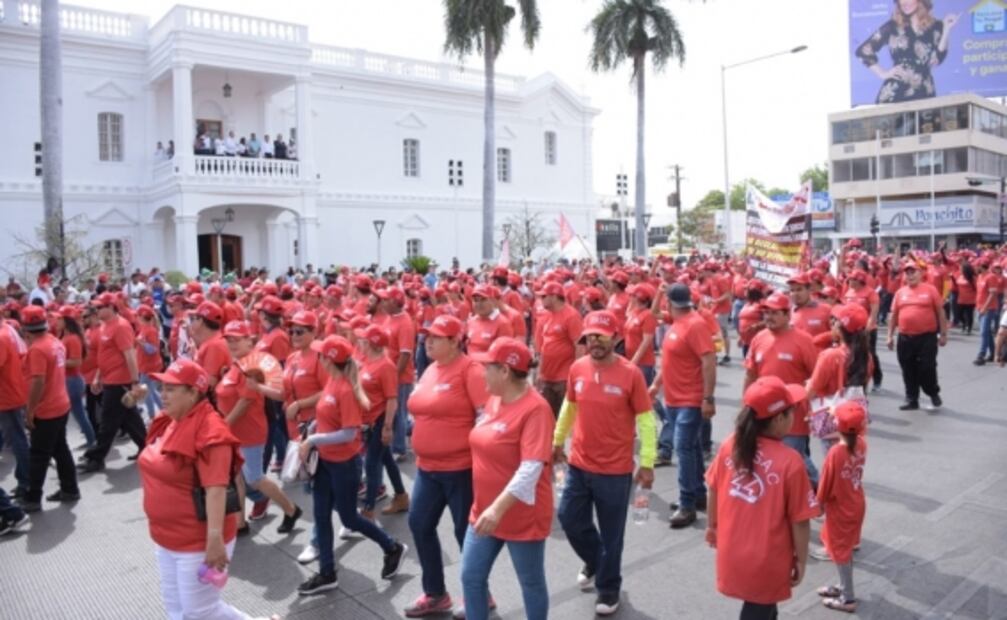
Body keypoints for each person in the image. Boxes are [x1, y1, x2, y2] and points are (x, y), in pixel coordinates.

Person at [137, 359, 275, 620]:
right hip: (166, 537)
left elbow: (216, 489)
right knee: (176, 609)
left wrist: (214, 540)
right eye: (162, 387)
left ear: (193, 393)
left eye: (171, 389)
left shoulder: (212, 432)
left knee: (199, 612)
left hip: (197, 540)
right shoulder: (169, 420)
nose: (162, 395)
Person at [553, 310, 657, 616]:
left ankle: (609, 589)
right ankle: (597, 561)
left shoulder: (631, 374)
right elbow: (569, 408)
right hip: (579, 465)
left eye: (601, 335)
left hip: (615, 472)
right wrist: (557, 442)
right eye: (589, 336)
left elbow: (647, 421)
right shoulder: (577, 368)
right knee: (570, 519)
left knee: (613, 536)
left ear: (616, 338)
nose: (594, 341)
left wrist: (648, 462)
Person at [297, 335, 408, 595]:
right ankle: (327, 573)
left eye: (321, 354)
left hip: (344, 464)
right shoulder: (333, 381)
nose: (318, 358)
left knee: (349, 517)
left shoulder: (345, 389)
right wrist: (312, 429)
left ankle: (392, 547)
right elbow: (326, 418)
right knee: (322, 516)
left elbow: (349, 432)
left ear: (328, 359)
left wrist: (313, 438)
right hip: (325, 461)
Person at [705, 376, 818, 620]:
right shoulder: (790, 461)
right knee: (758, 609)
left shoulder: (730, 445)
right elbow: (801, 520)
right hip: (768, 558)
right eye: (792, 411)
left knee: (765, 607)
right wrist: (801, 559)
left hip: (732, 550)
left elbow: (713, 488)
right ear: (779, 419)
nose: (795, 416)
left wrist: (712, 527)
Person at [462, 338, 554, 620]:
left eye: (486, 367)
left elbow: (530, 469)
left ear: (504, 371)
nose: (480, 373)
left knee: (531, 582)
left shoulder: (535, 409)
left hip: (520, 516)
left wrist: (497, 509)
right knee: (470, 577)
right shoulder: (493, 399)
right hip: (483, 510)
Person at [404, 315, 488, 617]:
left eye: (437, 337)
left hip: (460, 468)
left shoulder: (471, 370)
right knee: (419, 524)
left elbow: (485, 418)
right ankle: (436, 593)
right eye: (427, 337)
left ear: (455, 341)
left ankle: (479, 595)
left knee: (464, 533)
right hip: (428, 467)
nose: (428, 342)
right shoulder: (430, 370)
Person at [217, 320, 302, 535]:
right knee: (237, 476)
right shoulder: (237, 364)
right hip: (235, 432)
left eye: (238, 339)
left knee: (255, 478)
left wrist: (224, 426)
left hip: (249, 432)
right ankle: (239, 522)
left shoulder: (251, 366)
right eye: (229, 339)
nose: (232, 343)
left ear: (249, 341)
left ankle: (291, 509)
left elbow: (245, 401)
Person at [654, 283, 717, 527]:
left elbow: (709, 361)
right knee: (689, 449)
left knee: (682, 448)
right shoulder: (677, 322)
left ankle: (686, 503)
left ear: (669, 302)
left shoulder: (695, 324)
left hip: (690, 400)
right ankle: (697, 494)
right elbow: (669, 361)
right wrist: (656, 385)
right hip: (673, 399)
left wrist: (707, 398)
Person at [745, 292, 820, 489]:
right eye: (766, 313)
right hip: (763, 414)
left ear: (788, 315)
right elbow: (750, 375)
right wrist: (746, 406)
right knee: (775, 459)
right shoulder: (758, 338)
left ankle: (821, 491)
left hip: (792, 416)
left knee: (792, 458)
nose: (768, 317)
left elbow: (817, 377)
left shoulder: (804, 340)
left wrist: (814, 408)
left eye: (774, 313)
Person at [20, 306, 79, 512]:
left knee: (39, 454)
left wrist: (30, 410)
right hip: (60, 403)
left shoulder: (37, 349)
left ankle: (32, 498)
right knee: (60, 448)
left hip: (47, 408)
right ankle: (70, 488)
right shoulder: (54, 341)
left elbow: (38, 382)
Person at [80, 293, 147, 473]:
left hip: (120, 381)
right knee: (130, 419)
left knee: (108, 421)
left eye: (100, 307)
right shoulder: (104, 326)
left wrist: (134, 382)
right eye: (96, 307)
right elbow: (104, 355)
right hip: (110, 379)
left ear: (111, 307)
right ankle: (147, 448)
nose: (96, 310)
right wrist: (97, 377)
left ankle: (96, 457)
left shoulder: (121, 326)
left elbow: (130, 355)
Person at [815, 400, 868, 614]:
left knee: (840, 550)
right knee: (844, 548)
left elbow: (825, 484)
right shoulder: (862, 443)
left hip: (840, 508)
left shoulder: (836, 454)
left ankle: (848, 598)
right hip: (856, 502)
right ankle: (843, 586)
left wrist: (818, 504)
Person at [854, 0, 959, 104]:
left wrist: (946, 30)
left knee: (925, 120)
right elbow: (862, 51)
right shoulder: (892, 26)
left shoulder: (936, 26)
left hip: (924, 92)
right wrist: (882, 73)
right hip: (896, 92)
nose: (904, 3)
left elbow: (938, 58)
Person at [354, 324, 409, 519]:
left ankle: (368, 508)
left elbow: (392, 399)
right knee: (385, 459)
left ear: (371, 344)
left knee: (371, 463)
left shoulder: (386, 366)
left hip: (380, 420)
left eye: (363, 340)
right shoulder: (367, 361)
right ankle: (401, 496)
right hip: (368, 421)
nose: (359, 342)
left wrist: (387, 427)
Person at [886, 259, 948, 411]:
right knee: (908, 368)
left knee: (927, 368)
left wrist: (944, 334)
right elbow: (893, 316)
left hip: (927, 337)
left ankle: (932, 392)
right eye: (907, 272)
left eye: (913, 272)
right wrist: (890, 336)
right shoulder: (900, 293)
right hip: (905, 337)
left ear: (921, 274)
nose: (910, 275)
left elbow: (941, 312)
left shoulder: (930, 290)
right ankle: (912, 399)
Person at [374, 287, 416, 463]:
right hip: (388, 372)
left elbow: (405, 354)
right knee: (394, 410)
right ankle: (407, 431)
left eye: (385, 299)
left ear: (394, 302)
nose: (382, 303)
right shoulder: (390, 318)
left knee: (398, 411)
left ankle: (399, 449)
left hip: (401, 376)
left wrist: (394, 375)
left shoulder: (405, 323)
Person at [254, 295, 291, 476]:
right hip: (266, 389)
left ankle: (287, 459)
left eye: (260, 312)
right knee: (274, 428)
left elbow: (282, 366)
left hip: (274, 390)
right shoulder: (268, 334)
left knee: (280, 428)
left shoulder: (278, 337)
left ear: (264, 315)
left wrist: (278, 392)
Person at [535, 281, 583, 417]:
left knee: (563, 419)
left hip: (563, 378)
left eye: (544, 296)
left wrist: (575, 375)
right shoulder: (546, 316)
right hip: (547, 377)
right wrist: (540, 372)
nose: (541, 300)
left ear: (554, 296)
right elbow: (545, 346)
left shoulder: (571, 316)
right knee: (547, 418)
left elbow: (579, 346)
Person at [56, 305, 97, 449]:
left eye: (59, 318)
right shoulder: (66, 336)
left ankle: (92, 441)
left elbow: (76, 361)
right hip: (70, 380)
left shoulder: (72, 338)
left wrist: (56, 362)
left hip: (72, 380)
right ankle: (91, 440)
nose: (56, 321)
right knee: (79, 414)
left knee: (77, 414)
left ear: (66, 320)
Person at [0, 317, 30, 499]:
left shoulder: (2, 335)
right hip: (12, 390)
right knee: (17, 438)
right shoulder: (7, 330)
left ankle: (26, 482)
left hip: (8, 394)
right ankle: (24, 479)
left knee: (18, 439)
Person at [843, 270, 882, 391]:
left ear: (860, 281)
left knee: (869, 355)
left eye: (853, 280)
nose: (850, 282)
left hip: (866, 330)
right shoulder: (848, 292)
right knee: (852, 355)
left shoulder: (870, 293)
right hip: (850, 330)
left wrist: (868, 328)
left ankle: (877, 378)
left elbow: (874, 312)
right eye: (850, 279)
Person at [136, 305, 164, 420]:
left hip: (150, 366)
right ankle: (164, 411)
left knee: (145, 391)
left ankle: (153, 416)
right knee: (151, 390)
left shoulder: (150, 330)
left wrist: (141, 343)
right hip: (145, 365)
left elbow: (152, 349)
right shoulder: (144, 328)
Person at [974, 261, 1004, 366]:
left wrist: (984, 307)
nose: (975, 267)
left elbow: (992, 295)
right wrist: (978, 306)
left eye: (977, 265)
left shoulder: (991, 277)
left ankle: (981, 355)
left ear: (982, 266)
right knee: (987, 332)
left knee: (983, 332)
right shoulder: (980, 276)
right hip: (980, 307)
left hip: (988, 308)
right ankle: (993, 353)